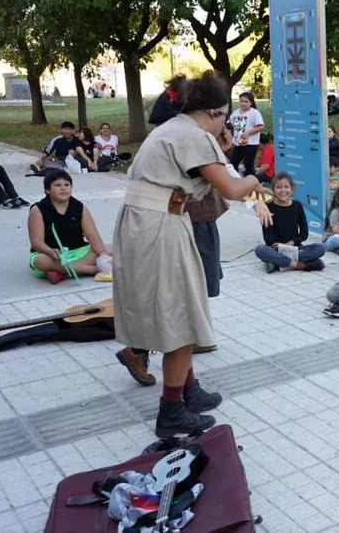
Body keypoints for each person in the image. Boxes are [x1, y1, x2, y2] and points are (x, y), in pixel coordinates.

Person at [112, 71, 264, 436]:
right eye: (225, 115)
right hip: (159, 227)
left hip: (147, 222)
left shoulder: (172, 129)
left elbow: (195, 176)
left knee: (178, 309)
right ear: (213, 112)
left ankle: (188, 389)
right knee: (179, 316)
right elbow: (230, 186)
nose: (226, 122)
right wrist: (256, 180)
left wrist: (221, 149)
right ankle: (172, 410)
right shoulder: (192, 135)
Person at [28, 170, 110, 283]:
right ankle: (93, 270)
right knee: (41, 261)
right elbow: (36, 242)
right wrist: (50, 252)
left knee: (113, 248)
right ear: (47, 190)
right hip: (53, 255)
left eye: (67, 185)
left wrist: (102, 255)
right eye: (57, 185)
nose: (63, 188)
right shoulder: (38, 210)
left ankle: (60, 272)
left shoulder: (80, 207)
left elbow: (92, 234)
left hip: (78, 251)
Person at [253, 172, 326, 274]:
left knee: (321, 248)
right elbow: (268, 237)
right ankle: (300, 265)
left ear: (292, 189)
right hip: (275, 249)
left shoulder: (297, 206)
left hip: (295, 248)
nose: (283, 190)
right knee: (259, 249)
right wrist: (281, 246)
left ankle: (278, 263)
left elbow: (304, 233)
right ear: (273, 190)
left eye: (286, 187)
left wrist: (290, 243)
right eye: (278, 187)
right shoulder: (268, 208)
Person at [229, 92, 265, 177]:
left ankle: (251, 184)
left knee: (248, 165)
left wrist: (248, 133)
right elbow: (229, 124)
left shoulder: (255, 113)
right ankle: (235, 181)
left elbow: (261, 126)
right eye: (241, 101)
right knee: (233, 164)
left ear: (251, 103)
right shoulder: (236, 112)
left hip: (250, 144)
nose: (243, 103)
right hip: (238, 143)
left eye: (246, 101)